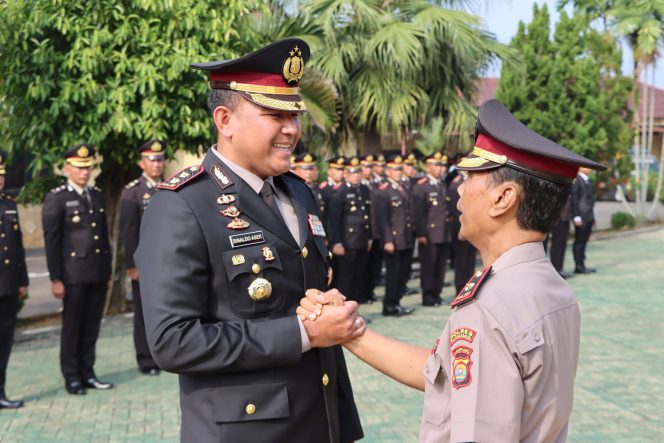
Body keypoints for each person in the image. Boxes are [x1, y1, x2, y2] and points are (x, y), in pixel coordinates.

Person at [299, 99, 606, 441]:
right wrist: (350, 331)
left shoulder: (489, 308)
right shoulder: (551, 286)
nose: (459, 188)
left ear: (503, 198)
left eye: (471, 176)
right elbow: (440, 372)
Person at [134, 38, 364, 443]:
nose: (291, 129)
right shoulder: (182, 206)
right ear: (225, 120)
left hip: (319, 419)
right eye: (274, 114)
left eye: (294, 114)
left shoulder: (298, 191)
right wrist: (304, 334)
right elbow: (173, 342)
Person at [42, 144, 113, 395]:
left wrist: (107, 272)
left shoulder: (95, 195)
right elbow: (52, 241)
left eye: (88, 167)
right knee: (72, 328)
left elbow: (103, 238)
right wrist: (56, 278)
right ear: (67, 168)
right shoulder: (57, 198)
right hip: (72, 275)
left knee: (92, 326)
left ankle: (88, 372)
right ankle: (72, 376)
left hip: (96, 271)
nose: (84, 172)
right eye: (79, 168)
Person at [119, 140, 166, 376]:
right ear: (141, 163)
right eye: (151, 160)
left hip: (168, 262)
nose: (156, 165)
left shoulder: (170, 186)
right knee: (143, 312)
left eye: (159, 160)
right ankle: (146, 359)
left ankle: (163, 356)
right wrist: (131, 264)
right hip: (144, 264)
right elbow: (128, 231)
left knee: (166, 309)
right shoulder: (133, 192)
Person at [0, 151, 28, 409]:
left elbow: (17, 247)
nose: (0, 180)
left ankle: (0, 391)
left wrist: (22, 280)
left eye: (1, 175)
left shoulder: (9, 204)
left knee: (5, 340)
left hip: (7, 285)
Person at [373, 153, 414, 317]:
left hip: (405, 238)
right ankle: (389, 306)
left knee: (402, 274)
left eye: (399, 169)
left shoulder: (402, 187)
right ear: (388, 171)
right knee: (393, 274)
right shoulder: (384, 191)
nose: (397, 172)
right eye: (394, 169)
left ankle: (396, 303)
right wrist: (388, 240)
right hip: (394, 240)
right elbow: (382, 220)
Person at [327, 156, 372, 303]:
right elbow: (334, 220)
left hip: (361, 240)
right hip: (347, 242)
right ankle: (344, 312)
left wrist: (369, 237)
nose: (356, 175)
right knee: (346, 280)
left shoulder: (364, 190)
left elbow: (367, 216)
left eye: (358, 172)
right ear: (346, 174)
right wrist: (337, 242)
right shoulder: (339, 192)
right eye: (352, 172)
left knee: (359, 278)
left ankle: (355, 309)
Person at [411, 152, 452, 306]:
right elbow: (418, 213)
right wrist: (421, 233)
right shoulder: (422, 186)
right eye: (436, 165)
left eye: (441, 165)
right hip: (429, 234)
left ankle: (437, 294)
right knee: (429, 267)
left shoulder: (441, 184)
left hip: (443, 232)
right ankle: (428, 296)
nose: (440, 168)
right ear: (428, 167)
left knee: (440, 267)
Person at [445, 153, 478, 294]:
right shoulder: (456, 184)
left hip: (472, 228)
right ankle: (460, 289)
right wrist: (460, 230)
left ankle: (468, 288)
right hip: (461, 228)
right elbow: (455, 210)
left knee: (470, 261)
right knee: (461, 261)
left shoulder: (471, 182)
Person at [571, 167, 596, 274]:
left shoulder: (588, 180)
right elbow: (574, 198)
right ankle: (578, 266)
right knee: (579, 241)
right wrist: (576, 216)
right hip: (581, 214)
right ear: (580, 168)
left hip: (588, 214)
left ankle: (582, 264)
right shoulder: (577, 180)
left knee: (584, 241)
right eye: (586, 166)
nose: (589, 168)